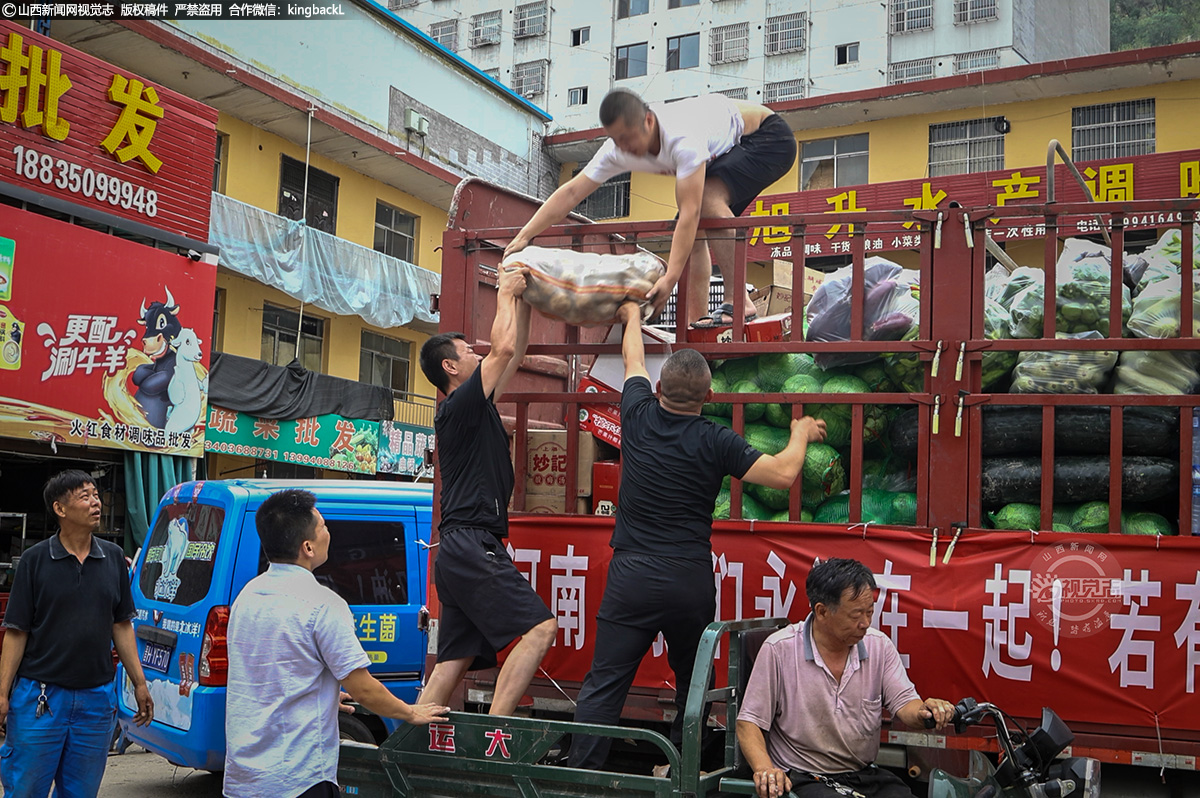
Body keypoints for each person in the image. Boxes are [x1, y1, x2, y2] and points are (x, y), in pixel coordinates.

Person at [569, 301, 827, 771]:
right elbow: (784, 476)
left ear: (661, 387)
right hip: (688, 578)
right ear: (709, 397)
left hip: (631, 575)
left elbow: (632, 361)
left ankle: (581, 777)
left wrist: (630, 318)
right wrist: (801, 431)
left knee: (605, 684)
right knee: (692, 683)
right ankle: (683, 771)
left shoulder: (637, 414)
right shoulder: (716, 438)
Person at [504, 89, 797, 329]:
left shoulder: (682, 138)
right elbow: (571, 192)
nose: (627, 149)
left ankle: (739, 302)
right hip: (731, 148)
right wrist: (525, 235)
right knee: (690, 226)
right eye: (619, 141)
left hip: (768, 138)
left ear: (648, 121)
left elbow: (694, 212)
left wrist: (669, 280)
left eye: (630, 138)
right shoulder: (616, 150)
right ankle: (696, 320)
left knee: (704, 204)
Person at [223, 489, 449, 798]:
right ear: (308, 547)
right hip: (297, 780)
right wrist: (410, 713)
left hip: (243, 778)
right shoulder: (323, 603)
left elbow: (269, 670)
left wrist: (321, 693)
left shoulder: (247, 596)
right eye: (323, 526)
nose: (329, 532)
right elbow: (363, 688)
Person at [416, 265, 558, 716]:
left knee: (452, 660)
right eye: (467, 351)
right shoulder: (458, 405)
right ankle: (495, 733)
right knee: (540, 629)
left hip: (460, 545)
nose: (478, 354)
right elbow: (504, 348)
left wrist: (525, 304)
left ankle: (402, 753)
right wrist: (503, 291)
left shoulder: (473, 406)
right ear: (450, 366)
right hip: (472, 541)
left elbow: (513, 353)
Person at [736, 558, 956, 798]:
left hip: (863, 775)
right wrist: (765, 769)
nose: (865, 623)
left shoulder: (878, 645)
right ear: (822, 611)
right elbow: (749, 723)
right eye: (855, 615)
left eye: (870, 612)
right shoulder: (780, 649)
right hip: (804, 777)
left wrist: (926, 711)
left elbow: (905, 704)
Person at [0, 469, 154, 798]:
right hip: (40, 698)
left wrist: (139, 683)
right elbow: (16, 632)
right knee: (26, 788)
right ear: (60, 508)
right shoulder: (34, 561)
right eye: (85, 496)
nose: (95, 502)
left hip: (96, 699)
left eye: (96, 495)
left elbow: (121, 625)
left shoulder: (113, 558)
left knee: (81, 791)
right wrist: (1, 694)